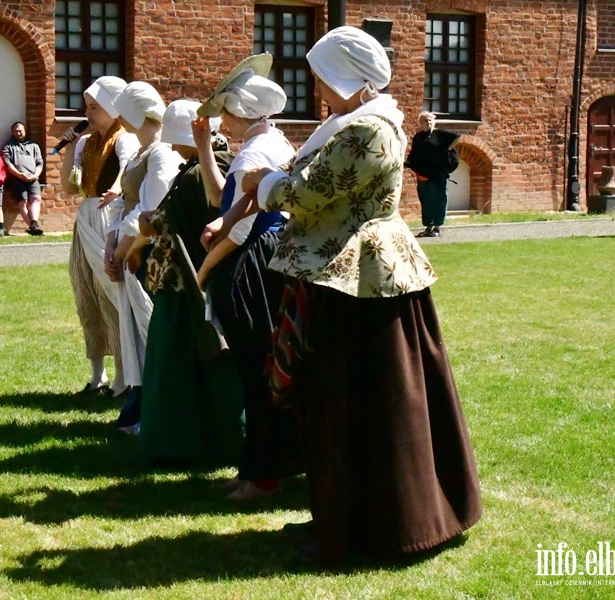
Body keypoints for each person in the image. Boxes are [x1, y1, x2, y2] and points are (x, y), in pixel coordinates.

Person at [212, 26, 482, 564]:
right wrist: (265, 182)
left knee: (364, 407)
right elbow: (304, 178)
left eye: (324, 79)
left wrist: (262, 185)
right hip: (339, 276)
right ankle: (338, 516)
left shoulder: (372, 129)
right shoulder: (345, 125)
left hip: (364, 282)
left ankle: (382, 526)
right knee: (332, 407)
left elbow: (313, 193)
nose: (318, 91)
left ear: (351, 79)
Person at [194, 54, 302, 501]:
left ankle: (262, 475)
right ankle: (256, 467)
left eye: (226, 112)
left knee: (255, 369)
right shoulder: (272, 142)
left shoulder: (254, 153)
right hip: (269, 258)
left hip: (250, 266)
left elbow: (235, 229)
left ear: (240, 113)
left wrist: (203, 270)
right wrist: (204, 148)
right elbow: (223, 199)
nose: (222, 120)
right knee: (263, 367)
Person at [127, 99, 245, 467]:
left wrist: (143, 230)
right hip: (202, 280)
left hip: (185, 286)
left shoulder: (197, 172)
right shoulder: (210, 165)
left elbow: (166, 221)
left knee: (177, 365)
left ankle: (180, 443)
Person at [107, 81, 183, 433]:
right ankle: (138, 404)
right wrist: (112, 241)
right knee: (134, 330)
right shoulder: (141, 152)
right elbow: (125, 203)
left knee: (151, 328)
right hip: (130, 250)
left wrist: (124, 249)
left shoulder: (161, 152)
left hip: (150, 254)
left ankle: (154, 407)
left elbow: (150, 210)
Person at [60, 76, 140, 397]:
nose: (89, 114)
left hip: (111, 216)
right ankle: (97, 375)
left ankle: (124, 376)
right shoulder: (83, 143)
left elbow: (126, 170)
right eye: (88, 107)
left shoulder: (124, 139)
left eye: (95, 107)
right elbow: (69, 188)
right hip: (87, 217)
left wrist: (118, 186)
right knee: (85, 290)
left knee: (111, 293)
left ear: (113, 108)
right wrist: (67, 150)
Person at [405, 111, 461, 237]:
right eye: (425, 120)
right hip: (423, 174)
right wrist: (408, 164)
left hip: (438, 174)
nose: (428, 122)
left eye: (430, 120)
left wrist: (448, 149)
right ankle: (428, 227)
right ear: (420, 123)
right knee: (426, 200)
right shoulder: (418, 137)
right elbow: (414, 154)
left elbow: (457, 137)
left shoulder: (439, 134)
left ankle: (437, 227)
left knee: (439, 199)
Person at [2, 121, 44, 236]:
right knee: (23, 201)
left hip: (33, 177)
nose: (18, 133)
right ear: (12, 132)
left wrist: (35, 175)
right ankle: (33, 227)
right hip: (16, 178)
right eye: (15, 131)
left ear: (25, 131)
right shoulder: (8, 146)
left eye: (20, 130)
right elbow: (7, 163)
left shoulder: (34, 146)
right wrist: (19, 175)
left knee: (36, 198)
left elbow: (40, 162)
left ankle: (34, 224)